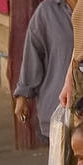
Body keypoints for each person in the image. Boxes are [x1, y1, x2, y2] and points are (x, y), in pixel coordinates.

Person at [13, 0, 75, 143]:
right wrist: (23, 95)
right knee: (58, 164)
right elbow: (32, 54)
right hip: (55, 108)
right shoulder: (46, 11)